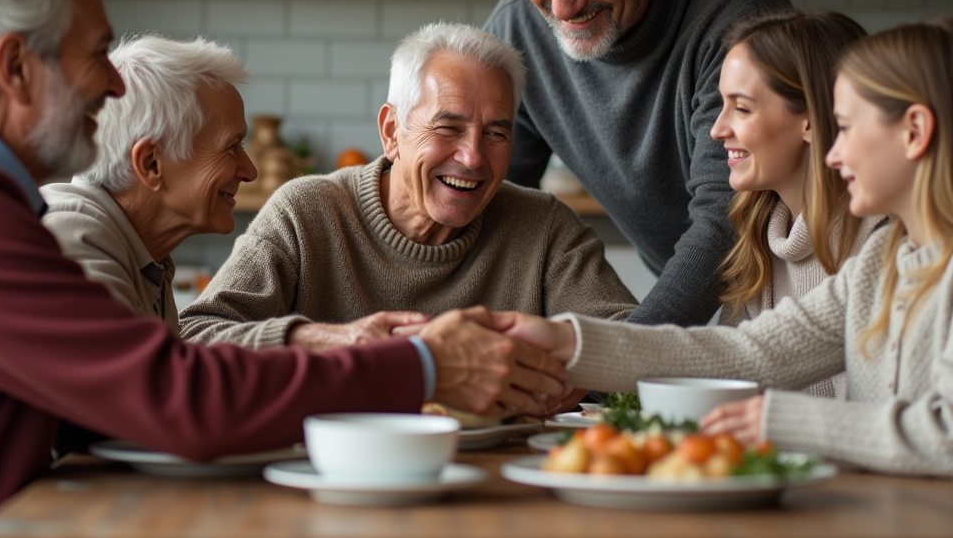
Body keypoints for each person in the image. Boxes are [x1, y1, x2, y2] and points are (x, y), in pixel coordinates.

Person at [0, 0, 567, 538]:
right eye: (97, 52)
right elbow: (175, 397)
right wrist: (422, 363)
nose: (110, 83)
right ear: (13, 67)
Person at [499, 17, 953, 506]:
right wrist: (570, 343)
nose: (834, 154)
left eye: (849, 128)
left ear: (915, 132)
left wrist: (772, 419)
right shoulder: (886, 258)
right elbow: (752, 352)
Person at [482, 0, 791, 327]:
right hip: (679, 291)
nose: (560, 6)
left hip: (782, 287)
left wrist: (620, 361)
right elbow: (489, 198)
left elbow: (727, 218)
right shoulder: (518, 27)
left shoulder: (736, 9)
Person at [179, 21, 637, 352]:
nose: (474, 157)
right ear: (392, 131)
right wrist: (328, 340)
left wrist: (572, 362)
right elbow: (196, 337)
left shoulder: (544, 228)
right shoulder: (306, 212)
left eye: (496, 133)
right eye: (448, 128)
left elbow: (635, 349)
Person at [711, 9, 884, 398]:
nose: (717, 129)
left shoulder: (885, 241)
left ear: (811, 119)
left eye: (741, 108)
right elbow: (726, 376)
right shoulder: (757, 243)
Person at [42, 35, 256, 336]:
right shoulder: (71, 239)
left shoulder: (146, 260)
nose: (250, 171)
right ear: (151, 164)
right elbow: (139, 378)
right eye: (231, 147)